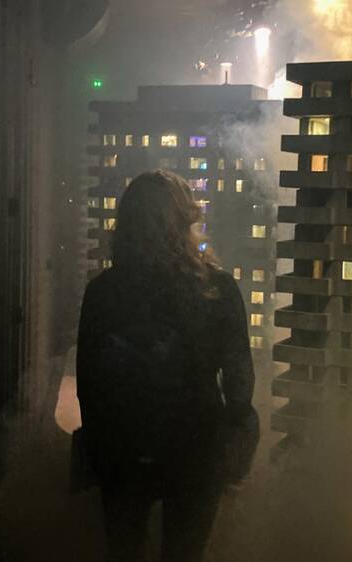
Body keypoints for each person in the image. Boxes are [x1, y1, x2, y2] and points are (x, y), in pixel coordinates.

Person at [76, 170, 256, 562]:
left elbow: (89, 386)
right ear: (184, 221)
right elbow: (240, 383)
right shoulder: (218, 290)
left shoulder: (103, 292)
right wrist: (238, 438)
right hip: (196, 452)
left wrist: (99, 446)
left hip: (122, 448)